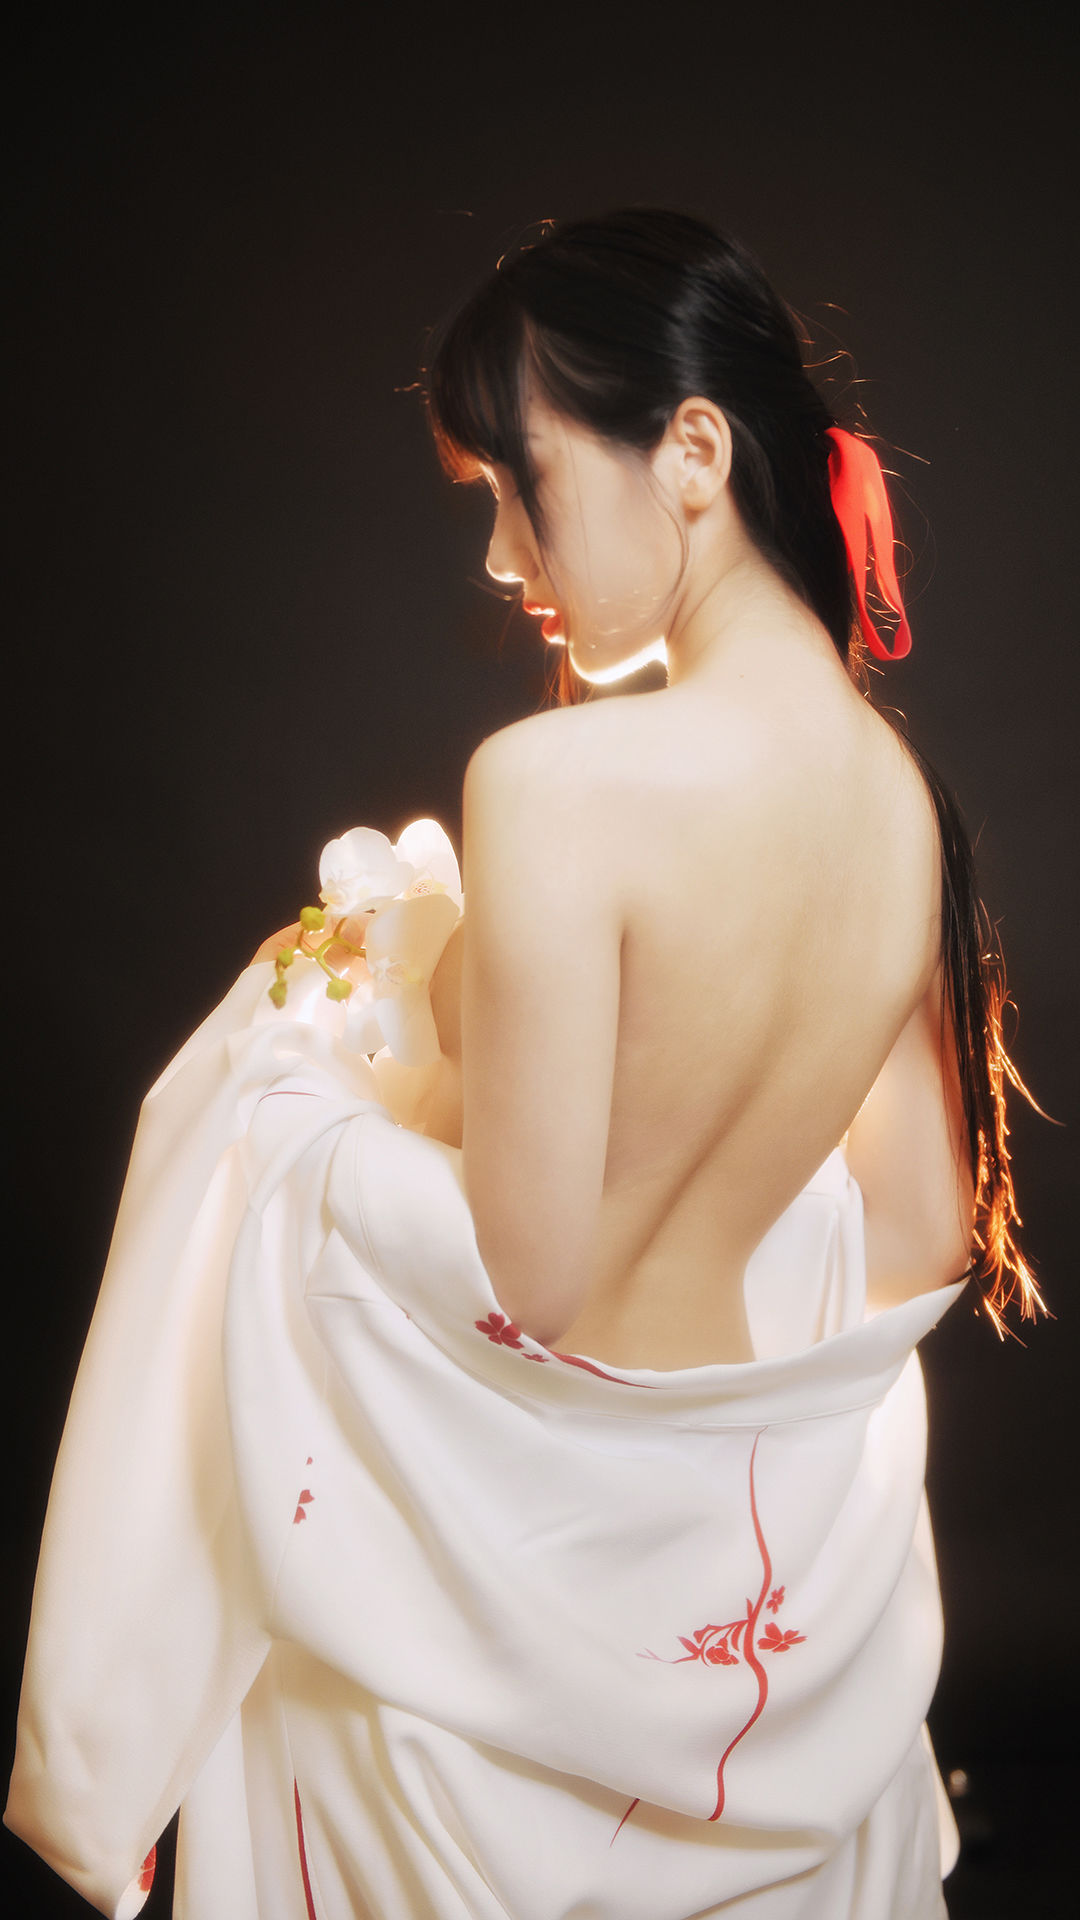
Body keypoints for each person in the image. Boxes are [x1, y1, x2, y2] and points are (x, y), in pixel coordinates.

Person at [5, 208, 1044, 1919]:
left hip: (519, 1558)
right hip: (751, 1577)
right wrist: (711, 1176)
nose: (502, 558)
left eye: (520, 484)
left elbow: (535, 1284)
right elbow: (924, 1234)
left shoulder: (555, 789)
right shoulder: (904, 805)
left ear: (693, 451)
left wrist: (300, 1099)